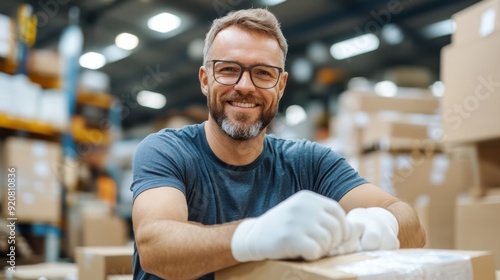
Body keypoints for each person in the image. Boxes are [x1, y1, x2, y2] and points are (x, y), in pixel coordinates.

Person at [131, 8, 426, 280]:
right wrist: (254, 236)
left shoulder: (310, 162)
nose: (245, 86)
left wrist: (376, 226)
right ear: (205, 79)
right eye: (229, 69)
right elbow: (155, 247)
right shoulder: (167, 150)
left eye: (263, 73)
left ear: (281, 85)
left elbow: (412, 226)